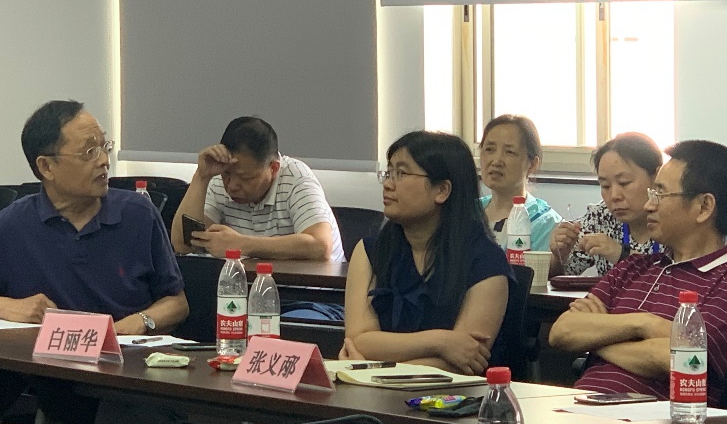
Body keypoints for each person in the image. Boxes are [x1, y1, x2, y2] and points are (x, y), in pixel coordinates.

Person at [0, 100, 188, 331]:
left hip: (127, 358)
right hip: (47, 363)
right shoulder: (13, 224)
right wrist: (7, 307)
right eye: (89, 152)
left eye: (104, 147)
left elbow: (176, 303)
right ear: (46, 167)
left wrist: (141, 320)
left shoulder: (138, 214)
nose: (104, 161)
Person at [549, 140, 727, 406]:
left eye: (660, 194)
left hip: (660, 422)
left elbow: (679, 358)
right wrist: (644, 324)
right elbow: (562, 332)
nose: (649, 205)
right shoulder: (634, 267)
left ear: (704, 207)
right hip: (579, 411)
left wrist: (596, 339)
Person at [339, 131, 511, 375]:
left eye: (401, 173)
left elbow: (465, 361)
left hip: (457, 395)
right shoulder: (371, 251)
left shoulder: (486, 262)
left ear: (442, 190)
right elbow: (358, 341)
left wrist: (373, 368)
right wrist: (440, 341)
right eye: (389, 173)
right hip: (376, 389)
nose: (388, 184)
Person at [171, 116, 344, 262]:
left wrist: (242, 244)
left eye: (246, 178)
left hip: (311, 288)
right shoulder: (217, 176)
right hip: (248, 285)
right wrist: (201, 177)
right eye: (227, 175)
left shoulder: (296, 178)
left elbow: (320, 246)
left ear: (273, 168)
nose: (232, 186)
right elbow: (182, 244)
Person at [549, 133, 664, 277]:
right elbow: (560, 275)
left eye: (624, 183)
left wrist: (620, 255)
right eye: (605, 186)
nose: (614, 196)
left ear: (657, 177)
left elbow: (677, 281)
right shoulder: (600, 217)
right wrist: (559, 256)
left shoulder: (675, 219)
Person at [479, 115, 561, 251]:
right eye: (489, 149)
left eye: (509, 152)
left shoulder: (546, 223)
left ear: (532, 164)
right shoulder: (468, 212)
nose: (496, 161)